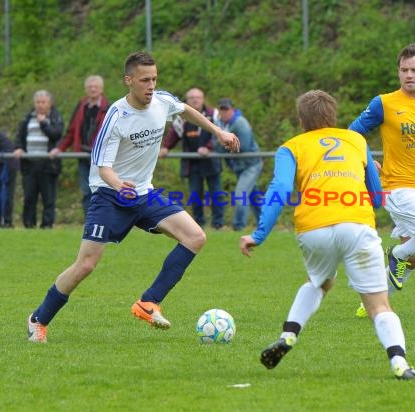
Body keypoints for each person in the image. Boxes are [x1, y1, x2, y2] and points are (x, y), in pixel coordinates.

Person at [26, 51, 240, 343]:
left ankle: (148, 302)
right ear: (129, 81)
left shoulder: (162, 101)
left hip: (143, 194)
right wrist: (119, 185)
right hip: (110, 196)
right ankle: (38, 319)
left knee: (195, 237)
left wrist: (218, 132)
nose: (151, 85)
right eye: (144, 80)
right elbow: (103, 167)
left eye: (154, 79)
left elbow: (186, 110)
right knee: (86, 265)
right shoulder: (116, 116)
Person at [240, 90, 415, 379]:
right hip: (356, 224)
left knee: (320, 282)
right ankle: (401, 364)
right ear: (333, 117)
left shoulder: (291, 147)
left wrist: (259, 234)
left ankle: (288, 336)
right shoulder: (356, 140)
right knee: (378, 304)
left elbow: (281, 189)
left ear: (302, 121)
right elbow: (376, 198)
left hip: (314, 228)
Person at [349, 43, 415, 318]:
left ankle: (371, 305)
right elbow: (352, 134)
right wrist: (366, 162)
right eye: (403, 70)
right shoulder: (384, 103)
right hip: (395, 188)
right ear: (398, 72)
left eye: (414, 70)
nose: (409, 75)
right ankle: (396, 254)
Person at [160, 87, 224, 229]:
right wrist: (165, 147)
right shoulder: (181, 117)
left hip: (211, 162)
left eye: (198, 97)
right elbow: (174, 134)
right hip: (193, 164)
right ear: (186, 101)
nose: (195, 100)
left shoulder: (214, 114)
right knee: (195, 194)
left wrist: (208, 147)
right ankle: (199, 224)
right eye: (192, 98)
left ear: (203, 99)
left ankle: (218, 224)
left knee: (216, 194)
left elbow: (220, 133)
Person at [49, 75, 109, 215]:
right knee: (86, 190)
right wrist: (60, 148)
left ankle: (103, 221)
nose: (93, 89)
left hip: (101, 159)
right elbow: (71, 131)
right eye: (90, 87)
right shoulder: (81, 107)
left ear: (101, 89)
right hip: (82, 156)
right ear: (86, 89)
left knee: (102, 190)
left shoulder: (108, 108)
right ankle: (89, 222)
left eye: (96, 86)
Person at [13, 90, 64, 229]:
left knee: (48, 198)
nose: (40, 105)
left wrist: (43, 124)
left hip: (48, 164)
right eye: (38, 102)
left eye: (43, 102)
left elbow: (56, 135)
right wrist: (18, 147)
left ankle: (47, 226)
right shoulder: (28, 117)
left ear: (50, 103)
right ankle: (29, 225)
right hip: (29, 163)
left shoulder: (55, 117)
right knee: (29, 197)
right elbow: (20, 135)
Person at [215, 98, 262, 231]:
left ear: (232, 110)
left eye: (226, 109)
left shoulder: (241, 123)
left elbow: (243, 147)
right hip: (239, 166)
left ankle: (238, 226)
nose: (224, 112)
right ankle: (265, 223)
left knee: (240, 194)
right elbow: (214, 143)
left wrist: (222, 143)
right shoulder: (219, 124)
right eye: (222, 109)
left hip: (251, 164)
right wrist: (225, 144)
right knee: (254, 197)